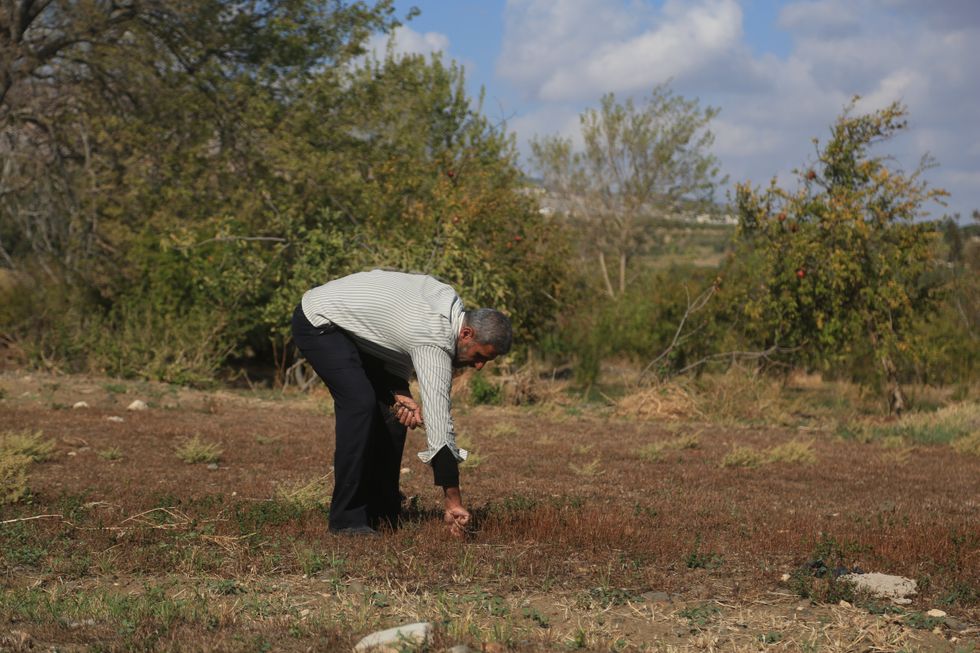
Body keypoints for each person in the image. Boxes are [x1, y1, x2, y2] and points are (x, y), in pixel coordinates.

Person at [291, 269, 512, 536]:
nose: (478, 366)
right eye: (480, 356)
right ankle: (346, 520)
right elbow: (441, 431)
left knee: (394, 414)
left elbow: (390, 334)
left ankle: (382, 512)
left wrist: (397, 392)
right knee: (360, 404)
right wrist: (453, 500)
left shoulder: (449, 304)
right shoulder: (435, 338)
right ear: (466, 334)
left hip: (358, 333)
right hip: (320, 321)